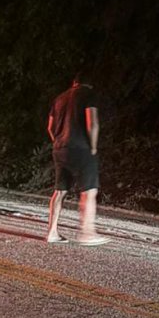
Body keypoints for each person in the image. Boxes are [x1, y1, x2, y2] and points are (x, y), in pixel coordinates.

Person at [46, 71, 110, 245]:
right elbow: (92, 123)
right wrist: (93, 147)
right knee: (89, 190)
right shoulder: (88, 94)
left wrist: (58, 142)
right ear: (89, 84)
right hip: (81, 148)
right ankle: (87, 234)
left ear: (74, 82)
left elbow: (50, 127)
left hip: (60, 148)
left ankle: (52, 233)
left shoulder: (59, 98)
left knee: (60, 190)